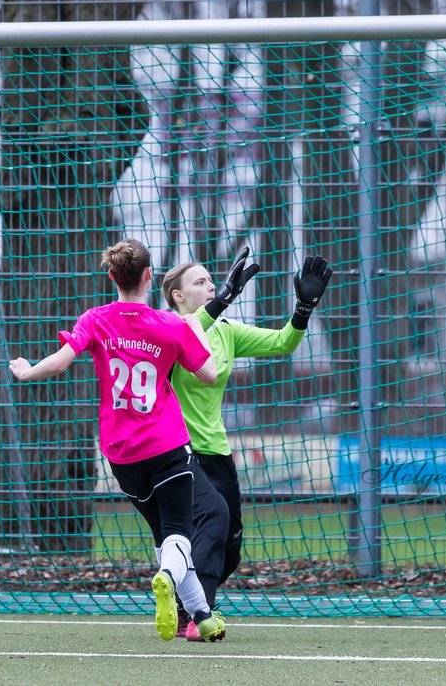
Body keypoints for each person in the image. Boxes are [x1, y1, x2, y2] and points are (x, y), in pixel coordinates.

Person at [9, 238, 227, 642]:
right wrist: (196, 327)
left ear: (112, 276)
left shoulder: (95, 319)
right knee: (179, 532)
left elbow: (60, 363)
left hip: (121, 454)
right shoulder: (172, 325)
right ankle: (165, 578)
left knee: (166, 536)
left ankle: (204, 617)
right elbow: (209, 375)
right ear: (149, 277)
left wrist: (26, 371)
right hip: (166, 443)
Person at [161, 248, 331, 640]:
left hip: (217, 452)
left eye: (210, 281)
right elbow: (185, 338)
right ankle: (196, 612)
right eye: (199, 282)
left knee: (231, 547)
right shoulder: (165, 329)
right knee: (210, 525)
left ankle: (187, 597)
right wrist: (222, 298)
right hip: (177, 453)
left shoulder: (226, 332)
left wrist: (305, 307)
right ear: (177, 296)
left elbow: (283, 343)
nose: (209, 286)